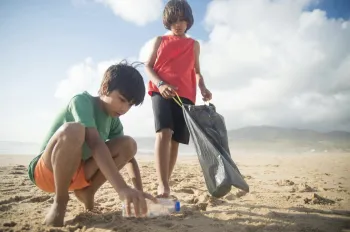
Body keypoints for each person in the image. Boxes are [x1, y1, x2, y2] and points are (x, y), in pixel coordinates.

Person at [27, 61, 156, 227]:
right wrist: (121, 188)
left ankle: (88, 191)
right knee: (74, 130)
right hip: (47, 171)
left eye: (130, 104)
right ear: (104, 88)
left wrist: (137, 190)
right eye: (122, 100)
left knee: (128, 144)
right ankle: (60, 202)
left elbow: (129, 157)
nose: (124, 108)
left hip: (79, 175)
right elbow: (95, 143)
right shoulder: (81, 101)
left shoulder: (114, 120)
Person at [145, 0, 212, 198]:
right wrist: (160, 84)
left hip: (186, 95)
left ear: (188, 21)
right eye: (174, 20)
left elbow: (197, 72)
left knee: (175, 140)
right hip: (161, 91)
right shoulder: (160, 40)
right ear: (168, 22)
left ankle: (166, 182)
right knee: (164, 132)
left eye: (182, 20)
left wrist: (203, 87)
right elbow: (148, 66)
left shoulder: (194, 45)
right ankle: (162, 185)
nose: (178, 24)